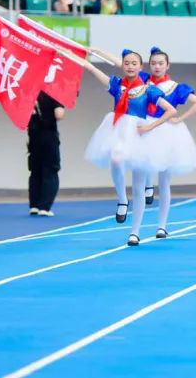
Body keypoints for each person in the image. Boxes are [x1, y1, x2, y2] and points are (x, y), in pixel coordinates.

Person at [61, 47, 178, 245]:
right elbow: (90, 68)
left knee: (139, 187)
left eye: (134, 63)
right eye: (127, 63)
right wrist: (68, 53)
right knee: (116, 160)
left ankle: (135, 232)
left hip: (139, 134)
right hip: (118, 131)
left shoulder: (149, 89)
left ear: (140, 67)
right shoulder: (116, 85)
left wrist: (150, 126)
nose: (130, 66)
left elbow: (170, 110)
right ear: (123, 66)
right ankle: (122, 199)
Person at [138, 47, 196, 237]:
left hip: (167, 130)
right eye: (153, 63)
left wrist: (180, 118)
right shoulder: (142, 80)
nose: (157, 67)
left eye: (160, 63)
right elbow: (122, 65)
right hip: (146, 126)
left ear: (168, 66)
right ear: (149, 65)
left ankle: (162, 226)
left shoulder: (175, 87)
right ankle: (148, 187)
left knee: (165, 180)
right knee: (144, 165)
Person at [27, 91, 64, 216]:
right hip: (49, 137)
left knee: (35, 171)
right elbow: (59, 115)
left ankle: (34, 205)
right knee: (51, 171)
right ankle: (45, 207)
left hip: (33, 137)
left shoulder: (29, 94)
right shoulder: (54, 94)